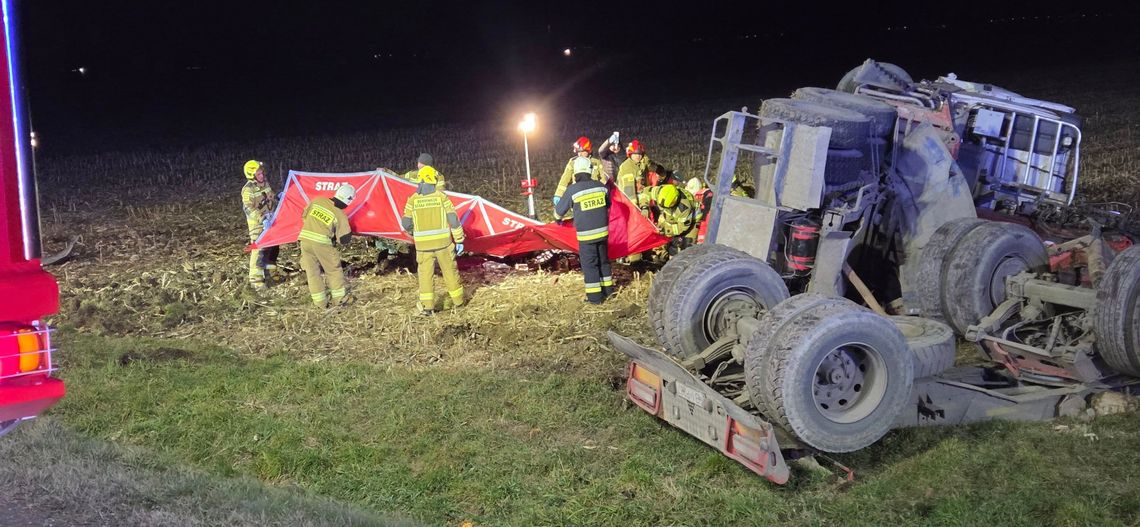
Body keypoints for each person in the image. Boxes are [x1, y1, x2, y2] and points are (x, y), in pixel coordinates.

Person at [401, 166, 466, 315]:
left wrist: (414, 231)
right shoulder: (441, 197)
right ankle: (459, 302)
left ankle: (428, 307)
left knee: (425, 276)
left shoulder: (413, 200)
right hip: (443, 244)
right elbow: (454, 220)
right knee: (450, 272)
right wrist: (459, 240)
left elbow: (405, 223)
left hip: (423, 247)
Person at [554, 159, 613, 304]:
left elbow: (558, 212)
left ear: (575, 173)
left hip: (586, 236)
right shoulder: (601, 187)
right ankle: (609, 292)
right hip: (603, 233)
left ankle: (595, 298)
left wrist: (559, 219)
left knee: (590, 265)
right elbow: (609, 204)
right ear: (590, 170)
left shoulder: (573, 190)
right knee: (604, 262)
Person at [298, 184, 356, 308]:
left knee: (312, 272)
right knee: (333, 270)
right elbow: (344, 239)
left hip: (305, 241)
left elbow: (304, 215)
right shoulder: (340, 214)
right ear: (349, 200)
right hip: (322, 244)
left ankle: (320, 303)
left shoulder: (318, 201)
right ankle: (340, 299)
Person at [240, 160, 280, 290]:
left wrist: (278, 197)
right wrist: (262, 219)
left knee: (273, 247)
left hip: (270, 221)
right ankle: (256, 280)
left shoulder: (265, 183)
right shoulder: (248, 189)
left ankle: (270, 274)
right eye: (259, 173)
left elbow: (270, 197)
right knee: (259, 249)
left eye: (262, 173)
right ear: (252, 175)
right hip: (258, 225)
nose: (262, 175)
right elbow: (248, 208)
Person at [640, 183, 701, 252]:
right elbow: (646, 191)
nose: (662, 208)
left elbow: (681, 228)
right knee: (669, 243)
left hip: (692, 221)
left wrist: (665, 230)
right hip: (674, 216)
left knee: (688, 247)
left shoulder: (683, 208)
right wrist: (644, 207)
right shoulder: (661, 192)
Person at [552, 136, 605, 207]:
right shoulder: (573, 162)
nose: (580, 154)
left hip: (593, 197)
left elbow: (604, 178)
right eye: (578, 152)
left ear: (589, 151)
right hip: (578, 196)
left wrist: (599, 189)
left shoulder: (596, 162)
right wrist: (558, 194)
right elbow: (565, 179)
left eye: (582, 151)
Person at [616, 139, 652, 204]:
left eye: (640, 154)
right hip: (628, 200)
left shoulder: (641, 164)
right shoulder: (627, 166)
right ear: (630, 154)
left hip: (641, 195)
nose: (638, 156)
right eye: (635, 154)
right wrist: (635, 206)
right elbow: (629, 190)